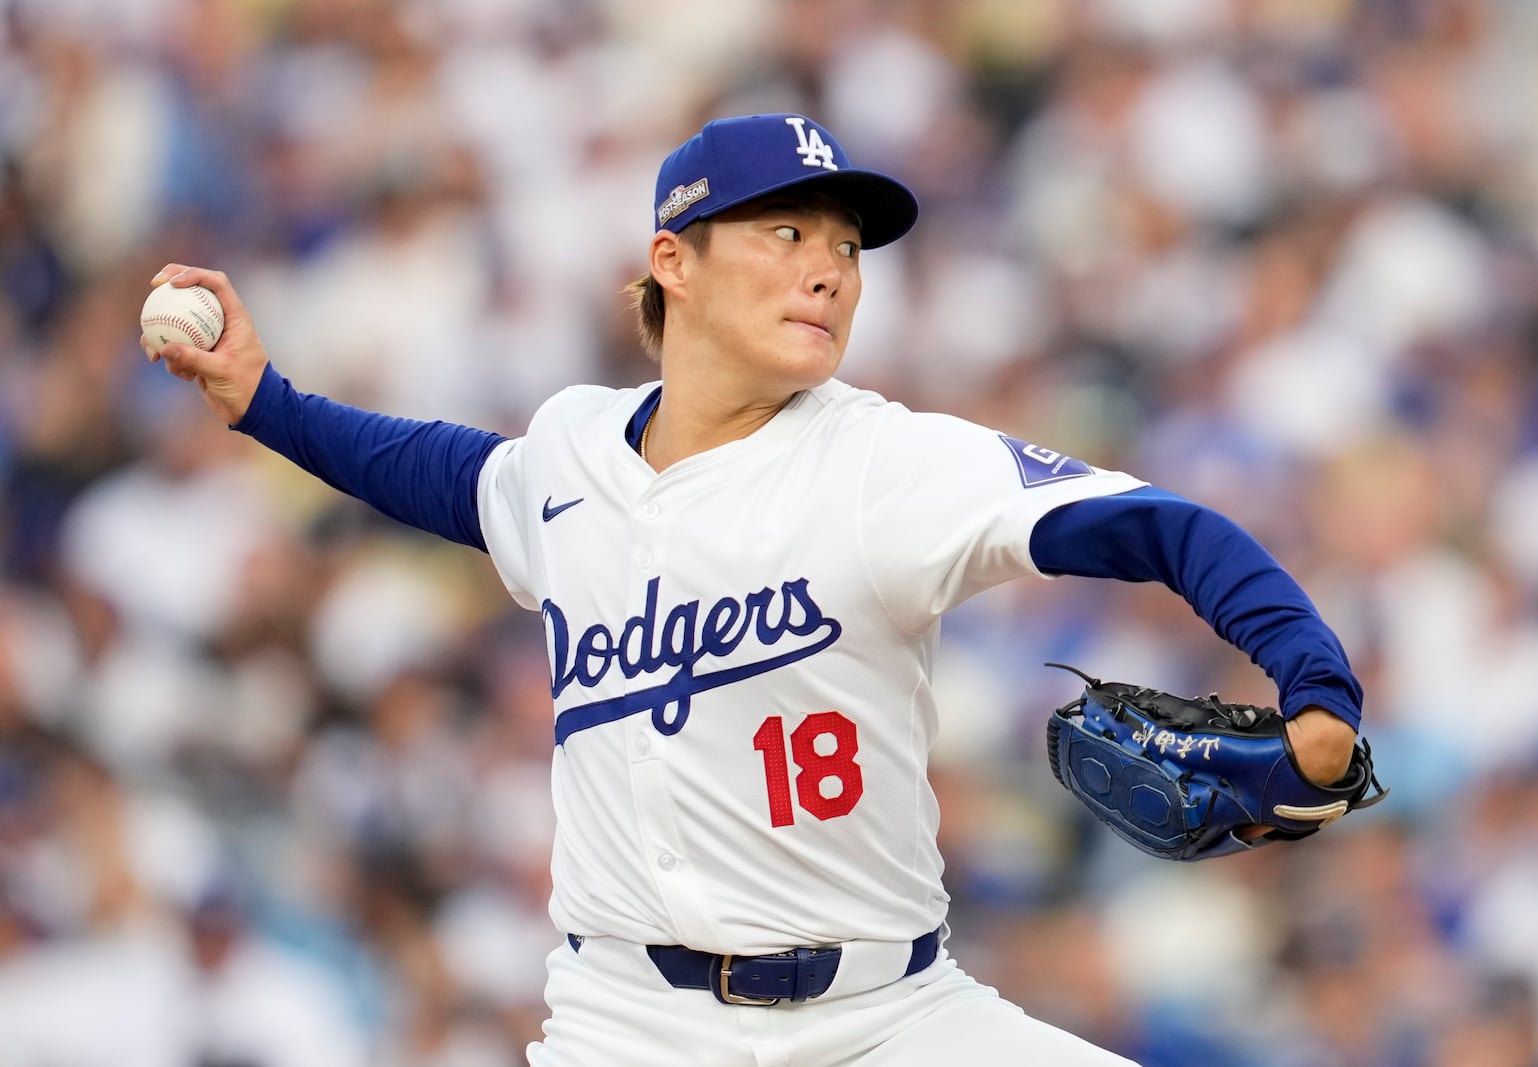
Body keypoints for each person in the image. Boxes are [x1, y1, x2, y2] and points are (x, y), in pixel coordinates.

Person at [143, 113, 1362, 1066]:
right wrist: (270, 403)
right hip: (630, 1020)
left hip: (888, 1015)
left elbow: (1162, 526)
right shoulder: (572, 454)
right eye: (786, 233)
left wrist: (1315, 684)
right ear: (673, 261)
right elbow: (452, 477)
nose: (828, 269)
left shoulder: (885, 461)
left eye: (844, 245)